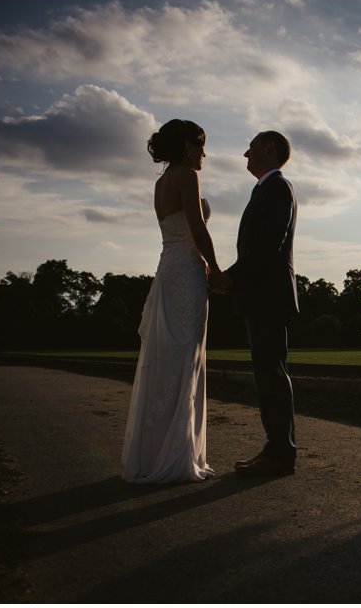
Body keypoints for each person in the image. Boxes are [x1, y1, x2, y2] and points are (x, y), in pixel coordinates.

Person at [122, 119, 222, 483]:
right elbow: (198, 229)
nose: (204, 154)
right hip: (188, 271)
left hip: (167, 268)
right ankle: (178, 457)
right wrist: (215, 269)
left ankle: (154, 453)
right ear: (185, 147)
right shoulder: (186, 177)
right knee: (187, 358)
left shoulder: (160, 183)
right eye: (200, 145)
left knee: (168, 357)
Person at [210, 131, 299, 478]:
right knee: (267, 374)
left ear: (269, 148)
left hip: (269, 298)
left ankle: (280, 454)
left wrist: (231, 277)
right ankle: (277, 449)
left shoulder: (278, 187)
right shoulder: (264, 189)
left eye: (252, 145)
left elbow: (267, 246)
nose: (245, 152)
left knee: (271, 374)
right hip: (262, 296)